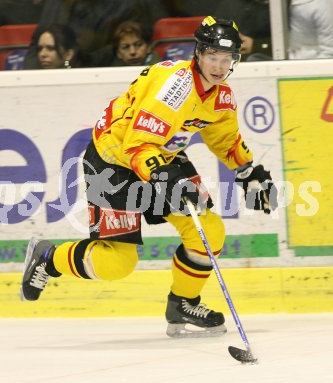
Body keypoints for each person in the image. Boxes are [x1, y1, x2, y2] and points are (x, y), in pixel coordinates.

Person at [20, 16, 277, 337]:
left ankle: (183, 302)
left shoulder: (221, 95)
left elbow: (225, 139)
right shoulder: (175, 86)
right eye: (213, 56)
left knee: (208, 231)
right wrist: (163, 176)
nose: (219, 66)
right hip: (113, 162)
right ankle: (48, 258)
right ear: (198, 53)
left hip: (161, 157)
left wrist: (247, 169)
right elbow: (137, 143)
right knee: (117, 265)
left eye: (227, 59)